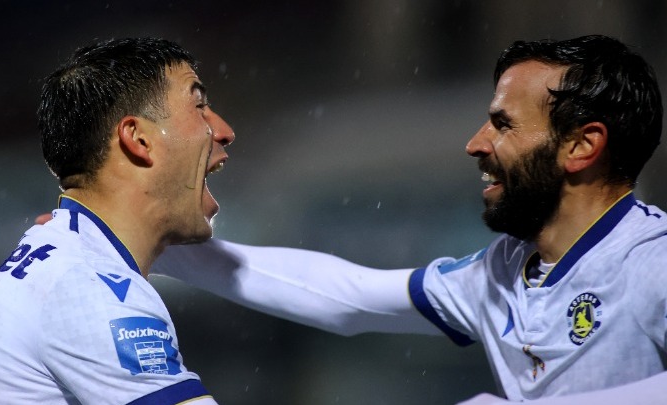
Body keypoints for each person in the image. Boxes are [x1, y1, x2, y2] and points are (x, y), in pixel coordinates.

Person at [151, 34, 667, 403]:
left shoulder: (651, 260)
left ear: (581, 146)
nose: (476, 144)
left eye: (503, 124)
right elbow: (349, 298)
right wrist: (158, 244)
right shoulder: (503, 271)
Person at [0, 37, 235, 404]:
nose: (224, 131)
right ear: (138, 139)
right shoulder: (88, 288)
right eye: (199, 106)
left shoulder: (65, 255)